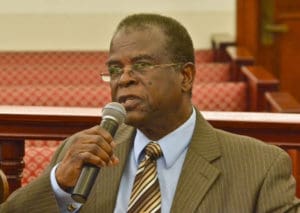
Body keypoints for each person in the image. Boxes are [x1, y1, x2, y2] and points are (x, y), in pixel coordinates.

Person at [0, 13, 299, 213]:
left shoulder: (260, 167)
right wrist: (59, 184)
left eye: (141, 66)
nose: (124, 78)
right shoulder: (82, 156)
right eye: (115, 69)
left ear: (186, 76)